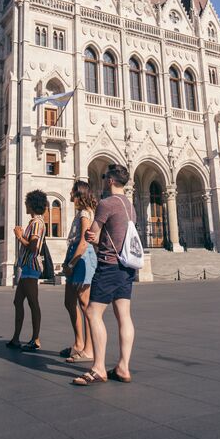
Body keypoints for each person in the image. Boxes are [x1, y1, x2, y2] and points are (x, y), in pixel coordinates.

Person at [74, 164, 137, 386]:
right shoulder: (130, 205)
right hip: (126, 267)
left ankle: (99, 368)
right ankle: (123, 366)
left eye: (104, 178)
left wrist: (93, 238)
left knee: (92, 312)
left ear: (110, 180)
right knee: (124, 316)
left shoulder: (106, 204)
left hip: (108, 265)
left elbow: (92, 233)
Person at [59, 180, 96, 363]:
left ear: (79, 194)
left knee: (84, 304)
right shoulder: (80, 213)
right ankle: (79, 343)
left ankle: (88, 349)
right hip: (74, 254)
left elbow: (84, 241)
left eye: (73, 192)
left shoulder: (84, 213)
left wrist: (71, 264)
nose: (70, 195)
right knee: (69, 301)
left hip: (82, 258)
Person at [7, 190, 48, 351]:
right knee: (18, 302)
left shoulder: (37, 223)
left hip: (31, 267)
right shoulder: (33, 222)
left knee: (33, 303)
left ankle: (35, 339)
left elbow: (33, 246)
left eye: (27, 202)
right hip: (26, 268)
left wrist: (19, 236)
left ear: (31, 204)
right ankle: (16, 338)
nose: (25, 204)